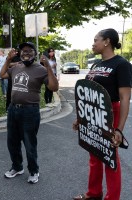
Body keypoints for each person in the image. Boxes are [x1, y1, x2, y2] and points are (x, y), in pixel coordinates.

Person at [72, 28, 132, 200]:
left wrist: (119, 130)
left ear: (107, 42)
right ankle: (94, 193)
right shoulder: (96, 64)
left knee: (109, 155)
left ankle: (112, 197)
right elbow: (89, 95)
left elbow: (125, 97)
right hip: (91, 113)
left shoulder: (122, 64)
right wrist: (81, 118)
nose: (93, 43)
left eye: (96, 39)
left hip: (110, 112)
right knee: (94, 152)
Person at [0, 42, 58, 184]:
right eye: (23, 51)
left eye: (29, 51)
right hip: (13, 110)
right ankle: (17, 167)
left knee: (29, 143)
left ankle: (33, 171)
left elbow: (54, 87)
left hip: (30, 111)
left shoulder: (40, 69)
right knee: (12, 142)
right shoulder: (16, 67)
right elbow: (2, 75)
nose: (25, 53)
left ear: (35, 54)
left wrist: (48, 66)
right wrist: (8, 59)